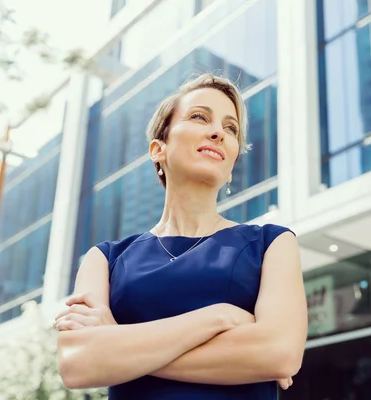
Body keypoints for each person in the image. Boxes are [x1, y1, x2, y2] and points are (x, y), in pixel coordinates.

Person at [54, 73, 308, 399]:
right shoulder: (105, 259)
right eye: (199, 117)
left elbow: (279, 352)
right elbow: (78, 364)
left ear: (231, 164)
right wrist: (220, 317)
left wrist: (118, 341)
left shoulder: (272, 244)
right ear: (158, 149)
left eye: (230, 128)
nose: (218, 132)